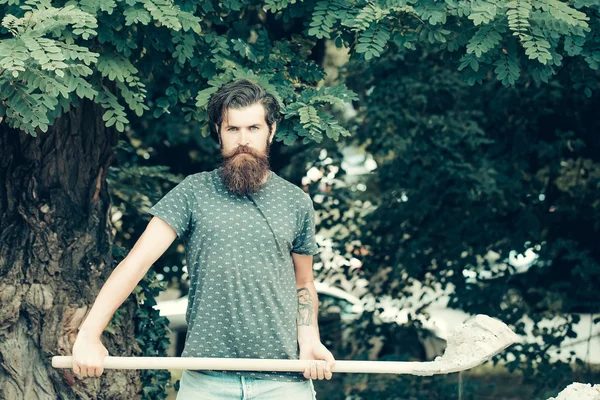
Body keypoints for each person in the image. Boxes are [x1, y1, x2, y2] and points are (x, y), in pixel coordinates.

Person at [71, 79, 335, 399]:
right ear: (218, 131)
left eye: (253, 128)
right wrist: (88, 334)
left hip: (283, 380)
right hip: (207, 381)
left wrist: (309, 339)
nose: (243, 140)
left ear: (271, 130)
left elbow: (303, 282)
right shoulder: (193, 192)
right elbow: (136, 262)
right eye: (232, 129)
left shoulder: (296, 202)